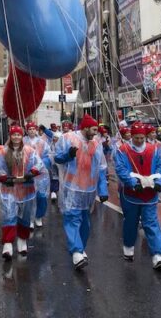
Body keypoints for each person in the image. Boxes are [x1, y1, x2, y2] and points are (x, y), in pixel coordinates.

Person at [52, 114, 108, 270]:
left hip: (88, 190)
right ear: (85, 128)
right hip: (72, 187)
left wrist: (102, 190)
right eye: (94, 129)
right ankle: (76, 251)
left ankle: (80, 248)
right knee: (72, 218)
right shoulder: (68, 138)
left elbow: (102, 167)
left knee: (85, 222)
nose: (96, 132)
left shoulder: (96, 143)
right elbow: (57, 158)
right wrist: (68, 154)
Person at [114, 122, 161, 269]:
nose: (139, 140)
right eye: (136, 137)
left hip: (149, 194)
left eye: (141, 137)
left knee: (151, 223)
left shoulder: (154, 149)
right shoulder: (123, 150)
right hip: (131, 194)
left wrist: (159, 182)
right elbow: (121, 169)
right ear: (131, 136)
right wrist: (133, 183)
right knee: (131, 221)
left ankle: (157, 255)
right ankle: (128, 247)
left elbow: (160, 167)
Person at [0, 124, 43, 259]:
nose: (16, 137)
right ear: (10, 135)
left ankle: (22, 240)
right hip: (9, 190)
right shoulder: (2, 152)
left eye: (18, 134)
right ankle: (7, 244)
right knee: (8, 214)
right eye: (13, 134)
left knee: (25, 216)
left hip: (26, 190)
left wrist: (32, 173)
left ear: (22, 136)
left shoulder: (30, 151)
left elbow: (38, 163)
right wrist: (4, 177)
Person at [24, 122, 53, 228]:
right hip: (27, 173)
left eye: (33, 128)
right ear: (26, 130)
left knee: (41, 196)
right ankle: (29, 218)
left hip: (41, 174)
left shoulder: (42, 142)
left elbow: (49, 156)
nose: (32, 130)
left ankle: (38, 216)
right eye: (29, 129)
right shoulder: (23, 141)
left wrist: (40, 165)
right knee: (28, 198)